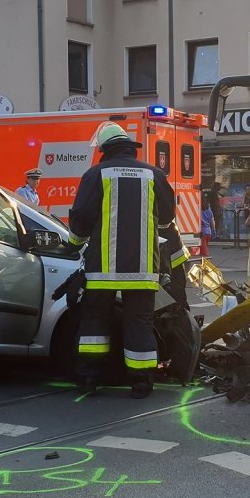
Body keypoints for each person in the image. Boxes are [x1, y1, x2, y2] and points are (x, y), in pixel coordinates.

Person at [66, 122, 176, 399]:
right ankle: (142, 384)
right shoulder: (154, 175)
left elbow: (80, 217)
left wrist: (74, 245)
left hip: (102, 269)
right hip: (143, 270)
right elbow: (166, 218)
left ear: (104, 149)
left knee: (94, 323)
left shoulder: (95, 175)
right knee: (139, 323)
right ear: (129, 147)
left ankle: (89, 380)